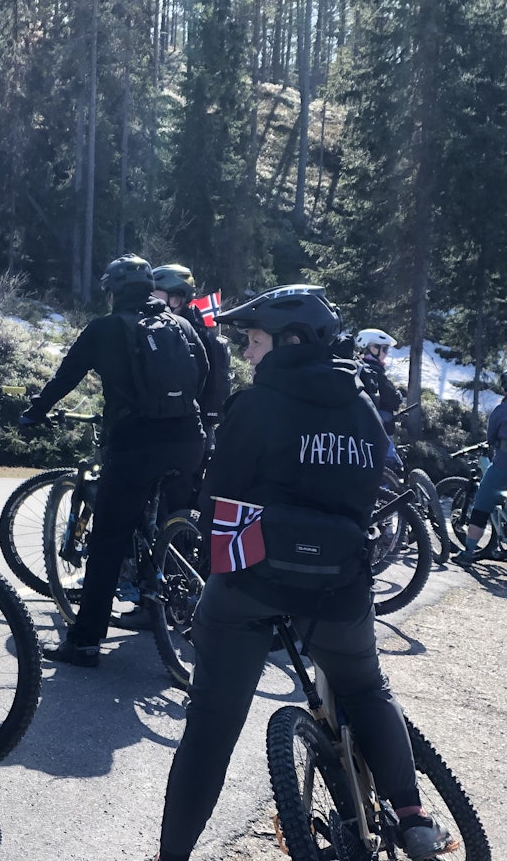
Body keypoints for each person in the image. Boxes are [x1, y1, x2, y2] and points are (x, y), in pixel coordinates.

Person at [156, 285, 452, 861]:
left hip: (251, 587)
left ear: (288, 340)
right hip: (339, 589)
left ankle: (172, 856)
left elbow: (217, 503)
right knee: (365, 687)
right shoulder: (364, 407)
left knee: (211, 727)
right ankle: (412, 815)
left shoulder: (257, 405)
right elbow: (371, 494)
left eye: (253, 340)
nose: (245, 354)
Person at [21, 254, 207, 665]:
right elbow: (204, 374)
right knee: (171, 517)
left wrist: (35, 413)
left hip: (135, 444)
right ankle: (171, 590)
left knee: (108, 538)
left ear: (112, 292)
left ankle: (85, 642)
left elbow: (65, 376)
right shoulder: (181, 325)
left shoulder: (106, 328)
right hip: (188, 442)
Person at [152, 263, 231, 448]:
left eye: (155, 294)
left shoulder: (187, 335)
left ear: (176, 298)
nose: (149, 300)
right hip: (194, 432)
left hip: (184, 434)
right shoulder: (197, 330)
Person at [453, 373, 507, 566]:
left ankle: (468, 553)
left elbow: (491, 438)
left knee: (481, 507)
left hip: (502, 468)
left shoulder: (501, 411)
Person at [356, 328, 403, 433]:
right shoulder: (374, 372)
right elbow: (393, 401)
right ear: (373, 349)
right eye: (385, 349)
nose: (386, 353)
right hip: (374, 428)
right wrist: (399, 396)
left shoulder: (357, 366)